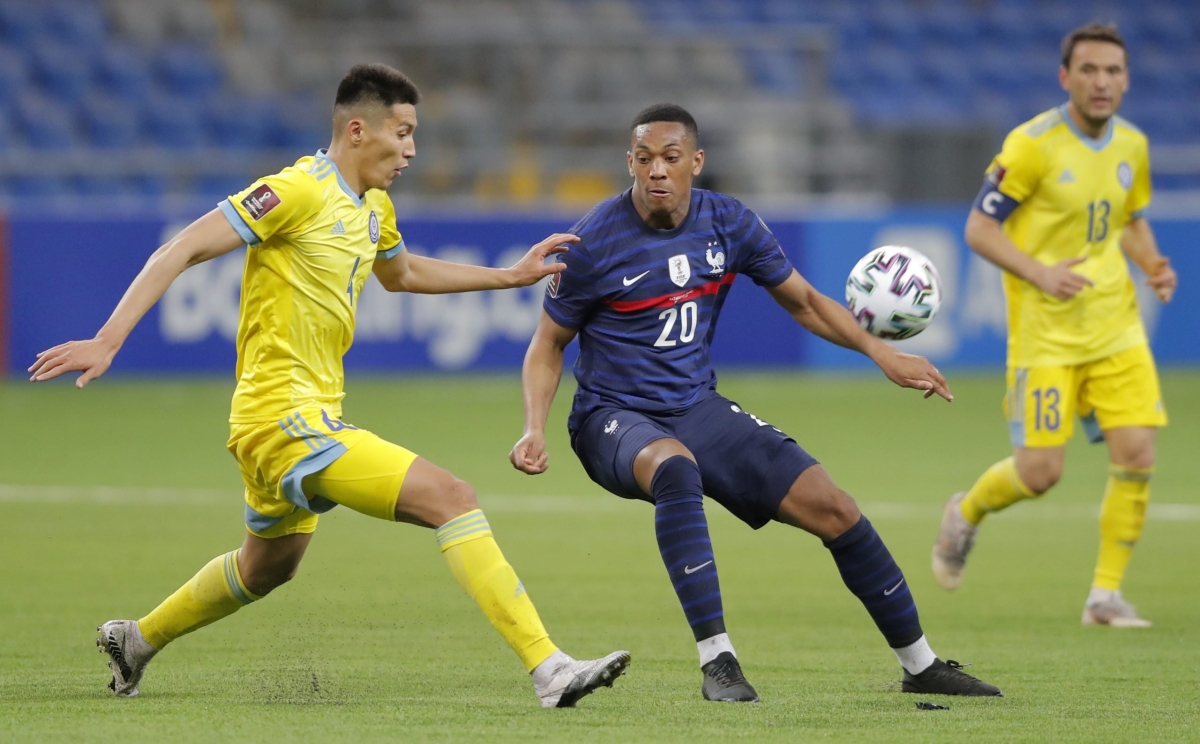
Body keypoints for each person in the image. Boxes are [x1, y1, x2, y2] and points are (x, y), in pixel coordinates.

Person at [29, 63, 629, 708]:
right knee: (451, 496)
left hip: (283, 420)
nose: (411, 149)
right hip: (282, 417)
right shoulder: (297, 189)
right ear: (356, 128)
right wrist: (109, 339)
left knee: (267, 568)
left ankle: (136, 640)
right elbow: (181, 249)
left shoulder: (372, 206)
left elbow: (401, 275)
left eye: (414, 135)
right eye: (402, 132)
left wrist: (509, 277)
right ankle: (550, 669)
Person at [509, 103, 1001, 702]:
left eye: (669, 158)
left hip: (697, 407)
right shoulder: (594, 241)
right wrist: (534, 427)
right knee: (675, 468)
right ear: (630, 164)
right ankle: (718, 662)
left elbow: (807, 303)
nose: (656, 172)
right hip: (611, 417)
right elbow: (547, 345)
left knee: (835, 507)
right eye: (643, 160)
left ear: (696, 161)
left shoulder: (730, 222)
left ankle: (921, 665)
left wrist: (881, 354)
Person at [932, 24, 1177, 628]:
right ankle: (965, 514)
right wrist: (1039, 273)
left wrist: (1153, 264)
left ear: (1126, 79)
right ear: (1066, 78)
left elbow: (1128, 219)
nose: (1102, 82)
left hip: (1115, 324)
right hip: (1046, 334)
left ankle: (1105, 596)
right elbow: (979, 229)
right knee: (1040, 473)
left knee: (1137, 453)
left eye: (1113, 71)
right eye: (1089, 70)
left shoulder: (1132, 146)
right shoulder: (1031, 145)